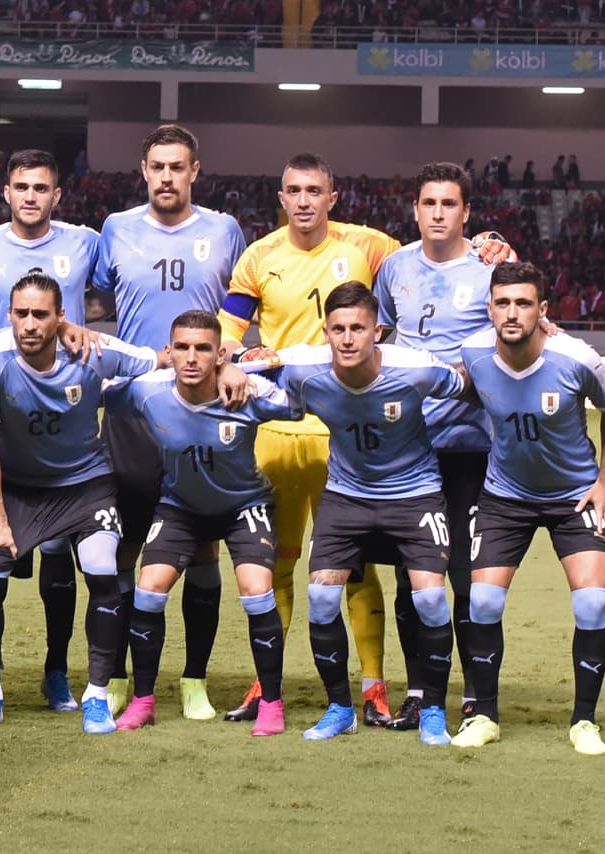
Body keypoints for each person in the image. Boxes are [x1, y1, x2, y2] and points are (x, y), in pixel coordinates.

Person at [217, 152, 402, 726]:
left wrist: (484, 249)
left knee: (355, 566)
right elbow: (228, 329)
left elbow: (421, 270)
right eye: (293, 191)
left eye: (314, 190)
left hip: (343, 435)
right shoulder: (259, 255)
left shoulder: (368, 246)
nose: (303, 200)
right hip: (275, 433)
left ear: (332, 197)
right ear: (282, 198)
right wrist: (232, 358)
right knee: (273, 564)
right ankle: (266, 685)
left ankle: (372, 687)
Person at [92, 124, 248, 719]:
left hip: (200, 412)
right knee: (126, 546)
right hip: (133, 408)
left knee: (202, 548)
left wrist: (231, 358)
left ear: (194, 172)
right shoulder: (115, 228)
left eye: (176, 166)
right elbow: (100, 301)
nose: (166, 176)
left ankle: (195, 679)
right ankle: (126, 675)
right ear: (143, 170)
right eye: (157, 166)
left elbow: (238, 309)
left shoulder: (224, 230)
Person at [0, 271, 159, 734]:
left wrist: (230, 367)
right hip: (17, 489)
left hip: (84, 485)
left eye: (41, 315)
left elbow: (156, 361)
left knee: (102, 570)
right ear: (9, 314)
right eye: (22, 314)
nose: (30, 324)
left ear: (60, 317)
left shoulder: (93, 353)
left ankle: (96, 696)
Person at [268, 282, 465, 742]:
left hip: (415, 493)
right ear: (326, 331)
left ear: (377, 331)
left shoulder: (415, 369)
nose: (347, 338)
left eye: (358, 328)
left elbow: (466, 382)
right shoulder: (305, 371)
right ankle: (340, 708)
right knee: (321, 598)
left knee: (431, 600)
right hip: (346, 494)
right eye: (338, 329)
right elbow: (269, 380)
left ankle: (433, 710)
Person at [454, 261, 605, 756]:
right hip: (505, 497)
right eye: (503, 303)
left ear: (542, 310)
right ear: (489, 309)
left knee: (592, 604)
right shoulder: (473, 354)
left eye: (524, 303)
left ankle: (584, 721)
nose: (512, 313)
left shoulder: (576, 358)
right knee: (482, 602)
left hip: (574, 498)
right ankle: (485, 715)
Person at [0, 149, 101, 712]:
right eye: (22, 186)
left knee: (59, 558)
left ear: (57, 194)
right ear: (6, 192)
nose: (31, 196)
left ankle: (56, 671)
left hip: (59, 424)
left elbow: (109, 298)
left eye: (41, 187)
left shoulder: (85, 243)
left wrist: (81, 331)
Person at [373, 161, 518, 730]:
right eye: (429, 203)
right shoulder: (394, 268)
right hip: (409, 450)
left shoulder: (488, 270)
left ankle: (477, 694)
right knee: (412, 578)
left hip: (472, 448)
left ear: (466, 212)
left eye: (449, 204)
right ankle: (419, 692)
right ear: (415, 209)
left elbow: (519, 332)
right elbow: (383, 334)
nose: (438, 213)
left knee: (465, 577)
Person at [105, 310, 298, 737]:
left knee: (256, 590)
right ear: (169, 351)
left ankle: (271, 703)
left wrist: (246, 366)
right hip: (180, 507)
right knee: (149, 588)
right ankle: (143, 700)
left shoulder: (247, 394)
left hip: (244, 506)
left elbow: (299, 402)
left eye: (204, 349)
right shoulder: (147, 391)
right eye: (183, 348)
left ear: (218, 354)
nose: (191, 358)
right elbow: (102, 390)